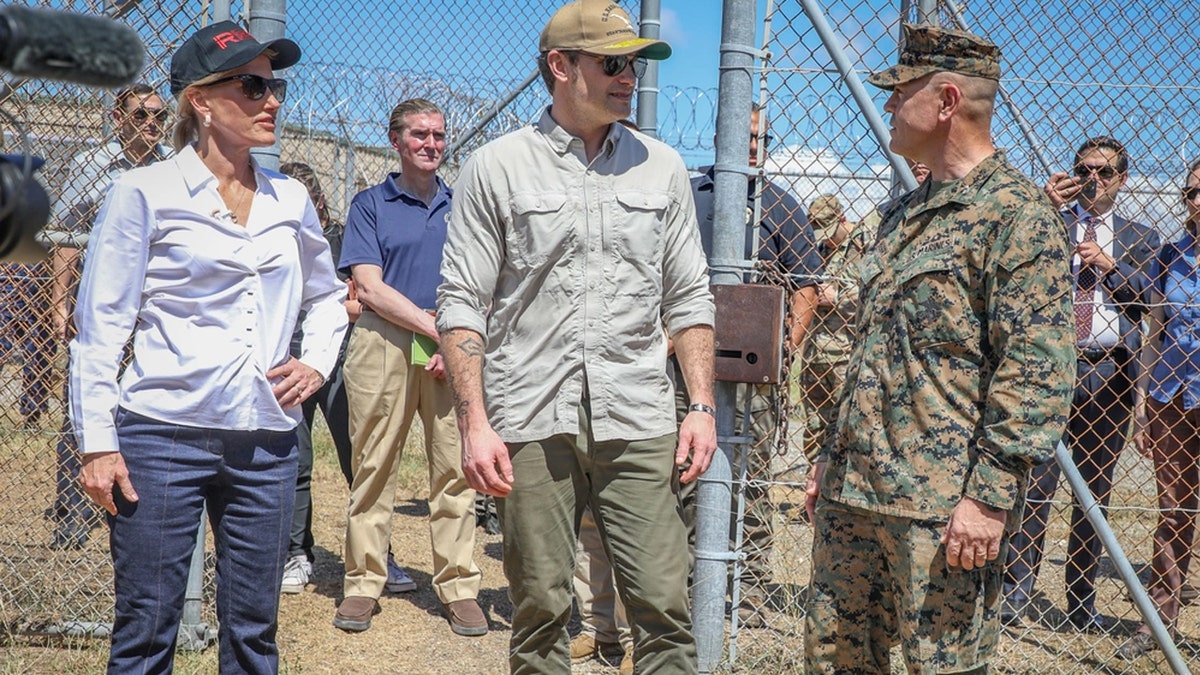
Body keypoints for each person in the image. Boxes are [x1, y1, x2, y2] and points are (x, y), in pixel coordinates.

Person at [436, 0, 717, 671]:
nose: (631, 78)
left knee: (663, 606)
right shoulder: (497, 168)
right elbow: (462, 302)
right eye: (613, 63)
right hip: (531, 417)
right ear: (561, 67)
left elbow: (688, 297)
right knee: (538, 611)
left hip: (639, 416)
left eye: (636, 65)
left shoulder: (661, 168)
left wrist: (701, 405)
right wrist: (475, 424)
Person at [71, 21, 346, 673]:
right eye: (252, 84)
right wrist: (98, 442)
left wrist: (316, 361)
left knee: (254, 632)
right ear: (201, 99)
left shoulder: (291, 198)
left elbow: (329, 295)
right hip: (161, 437)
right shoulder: (143, 192)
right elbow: (101, 325)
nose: (272, 98)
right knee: (146, 629)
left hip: (266, 441)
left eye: (274, 84)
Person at [803, 23, 1075, 673]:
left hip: (941, 511)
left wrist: (987, 497)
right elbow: (872, 351)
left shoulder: (1016, 217)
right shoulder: (901, 217)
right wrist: (827, 457)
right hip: (852, 495)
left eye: (902, 93)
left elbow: (1036, 371)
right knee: (833, 659)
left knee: (941, 664)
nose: (890, 105)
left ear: (948, 100)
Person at [333, 98, 484, 637]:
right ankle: (363, 583)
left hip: (452, 345)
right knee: (375, 464)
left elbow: (482, 276)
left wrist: (456, 338)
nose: (431, 145)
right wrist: (433, 327)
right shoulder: (371, 203)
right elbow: (369, 287)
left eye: (439, 136)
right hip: (387, 341)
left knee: (454, 465)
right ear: (396, 140)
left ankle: (460, 585)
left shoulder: (460, 204)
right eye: (420, 135)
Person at [1002, 136, 1159, 631]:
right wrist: (1044, 206)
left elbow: (1149, 304)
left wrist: (1110, 269)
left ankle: (1081, 601)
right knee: (1035, 486)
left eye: (1105, 172)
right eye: (1085, 170)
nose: (1094, 179)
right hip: (1050, 369)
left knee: (1094, 495)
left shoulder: (1141, 238)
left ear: (1123, 179)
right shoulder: (1049, 220)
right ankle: (1016, 593)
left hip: (1109, 373)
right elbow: (1011, 265)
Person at [680, 102, 821, 627]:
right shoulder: (689, 196)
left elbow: (806, 283)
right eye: (745, 137)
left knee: (750, 478)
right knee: (683, 473)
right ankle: (688, 585)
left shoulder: (781, 205)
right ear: (722, 137)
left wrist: (785, 346)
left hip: (752, 375)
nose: (754, 148)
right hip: (685, 368)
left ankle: (752, 588)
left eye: (762, 139)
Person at [43, 82, 173, 550]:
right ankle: (72, 517)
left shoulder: (170, 169)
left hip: (152, 312)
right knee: (84, 408)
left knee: (144, 410)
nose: (152, 124)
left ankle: (138, 508)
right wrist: (60, 302)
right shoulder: (91, 166)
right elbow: (65, 236)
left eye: (159, 115)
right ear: (118, 120)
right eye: (141, 115)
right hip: (99, 307)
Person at [1117, 158, 1200, 661]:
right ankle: (1158, 624)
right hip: (1172, 399)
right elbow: (1153, 333)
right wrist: (1144, 408)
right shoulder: (1170, 255)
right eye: (1191, 192)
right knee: (1174, 512)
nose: (1197, 201)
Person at [278, 161, 359, 593]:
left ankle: (373, 553)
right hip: (293, 359)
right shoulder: (277, 236)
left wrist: (339, 305)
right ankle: (296, 553)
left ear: (320, 204)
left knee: (359, 458)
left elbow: (356, 300)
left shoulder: (341, 237)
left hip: (340, 358)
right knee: (297, 461)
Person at [801, 194, 869, 464]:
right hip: (816, 352)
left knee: (845, 429)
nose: (825, 239)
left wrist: (839, 296)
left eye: (829, 232)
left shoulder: (867, 243)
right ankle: (811, 495)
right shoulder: (820, 248)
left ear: (843, 219)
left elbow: (880, 290)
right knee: (815, 428)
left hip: (847, 353)